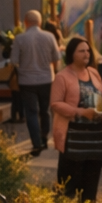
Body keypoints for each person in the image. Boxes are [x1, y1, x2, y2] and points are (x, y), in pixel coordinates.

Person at [49, 36, 102, 202]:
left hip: (95, 137)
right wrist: (81, 112)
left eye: (88, 50)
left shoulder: (94, 73)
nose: (86, 54)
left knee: (91, 179)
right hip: (73, 137)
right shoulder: (62, 76)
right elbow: (55, 103)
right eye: (81, 51)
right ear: (72, 54)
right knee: (69, 182)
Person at [12, 10, 61, 157]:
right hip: (47, 79)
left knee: (31, 113)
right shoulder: (49, 36)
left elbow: (13, 61)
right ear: (40, 22)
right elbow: (56, 58)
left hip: (26, 81)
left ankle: (36, 142)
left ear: (25, 22)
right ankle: (45, 137)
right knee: (45, 111)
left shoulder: (19, 39)